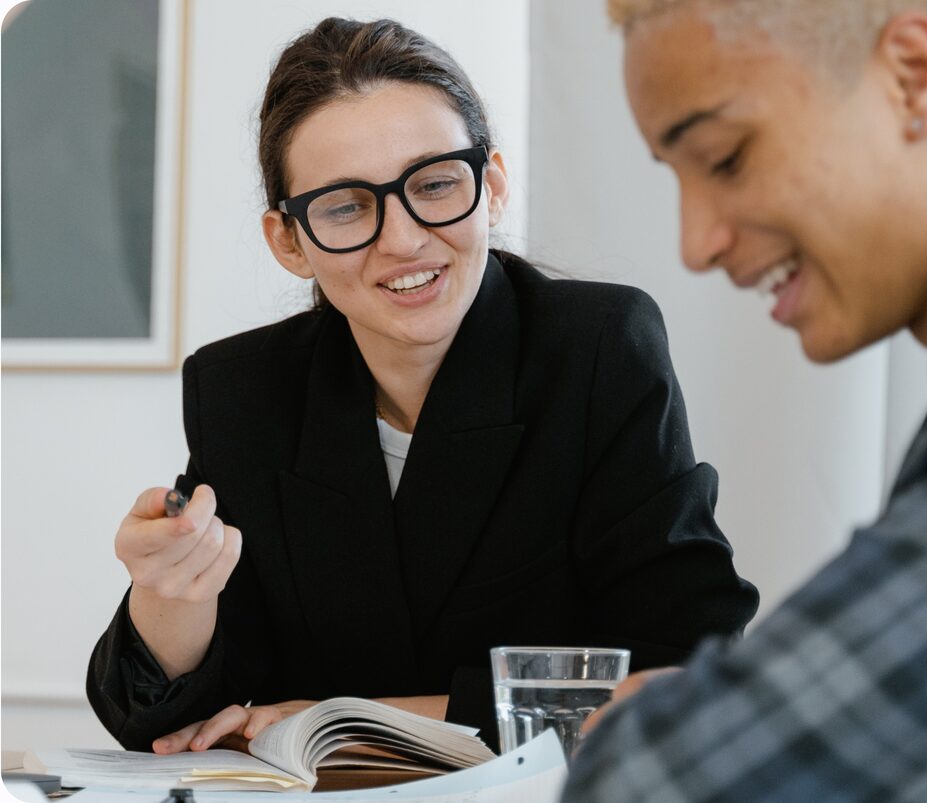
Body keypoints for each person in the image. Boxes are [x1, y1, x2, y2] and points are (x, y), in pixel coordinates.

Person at [86, 17, 759, 755]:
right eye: (346, 206)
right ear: (289, 240)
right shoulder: (242, 389)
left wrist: (354, 722)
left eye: (435, 185)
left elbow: (683, 665)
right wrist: (168, 589)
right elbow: (164, 725)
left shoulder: (598, 347)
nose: (403, 239)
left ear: (490, 186)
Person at [563, 0, 927, 800]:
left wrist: (673, 728)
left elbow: (649, 787)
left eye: (726, 158)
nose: (695, 244)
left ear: (913, 77)